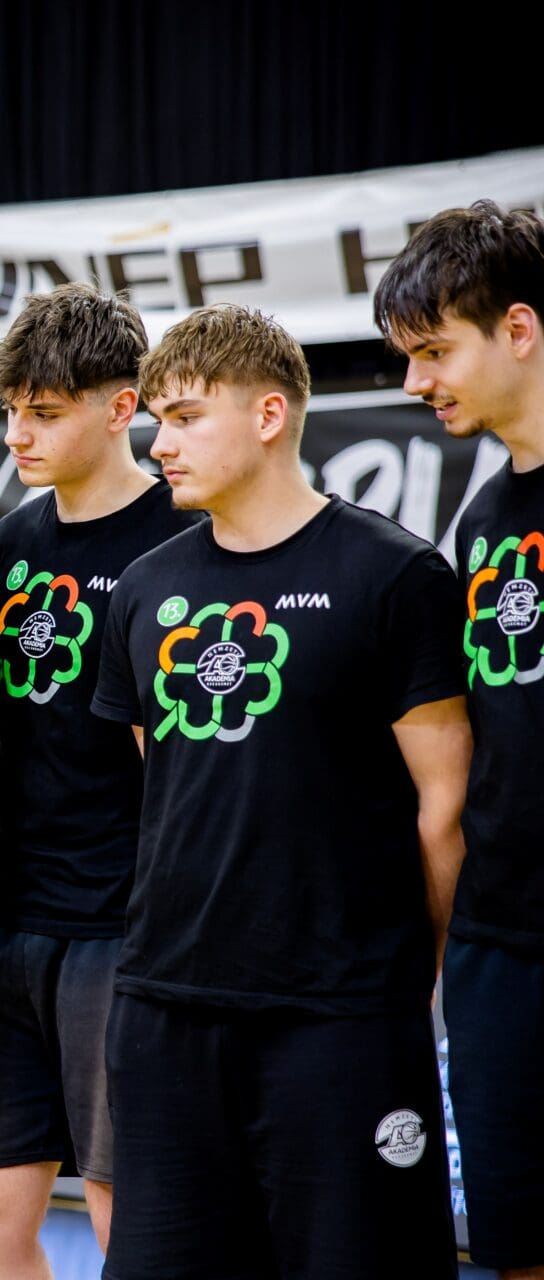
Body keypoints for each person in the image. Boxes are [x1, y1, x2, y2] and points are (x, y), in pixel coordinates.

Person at [91, 304, 469, 1278]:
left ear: (268, 415)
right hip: (166, 1009)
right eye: (158, 422)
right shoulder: (143, 590)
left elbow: (445, 808)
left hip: (341, 1020)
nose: (159, 444)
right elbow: (166, 786)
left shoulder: (395, 576)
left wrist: (401, 975)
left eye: (185, 418)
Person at [0, 284, 199, 1274]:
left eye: (44, 413)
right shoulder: (9, 542)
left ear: (122, 406)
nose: (18, 435)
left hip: (125, 928)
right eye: (11, 411)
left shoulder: (181, 540)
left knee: (123, 1216)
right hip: (12, 919)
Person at [377, 201, 544, 1280]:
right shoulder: (480, 526)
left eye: (434, 351)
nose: (414, 382)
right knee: (516, 1245)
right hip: (500, 945)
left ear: (518, 329)